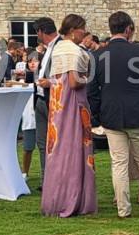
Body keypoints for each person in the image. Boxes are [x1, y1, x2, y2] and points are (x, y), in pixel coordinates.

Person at [88, 11, 139, 218]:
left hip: (112, 114)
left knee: (118, 163)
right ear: (128, 29)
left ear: (111, 29)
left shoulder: (98, 56)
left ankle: (123, 209)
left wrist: (97, 115)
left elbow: (92, 91)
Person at [41, 14, 97, 218]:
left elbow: (57, 79)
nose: (85, 32)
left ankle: (56, 197)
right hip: (73, 104)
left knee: (58, 149)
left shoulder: (58, 49)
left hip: (58, 105)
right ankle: (74, 198)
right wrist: (88, 78)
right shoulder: (74, 51)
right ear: (74, 30)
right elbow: (73, 82)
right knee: (74, 150)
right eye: (83, 28)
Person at [32, 16, 60, 182]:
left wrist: (51, 82)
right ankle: (46, 180)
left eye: (37, 32)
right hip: (41, 100)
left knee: (55, 144)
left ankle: (55, 180)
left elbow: (69, 76)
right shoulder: (47, 48)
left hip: (53, 100)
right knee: (42, 144)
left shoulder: (60, 46)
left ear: (41, 31)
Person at [20, 52, 40, 178]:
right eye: (30, 61)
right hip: (29, 117)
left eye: (35, 61)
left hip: (43, 116)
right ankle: (25, 173)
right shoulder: (22, 80)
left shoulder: (45, 78)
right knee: (28, 147)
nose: (32, 63)